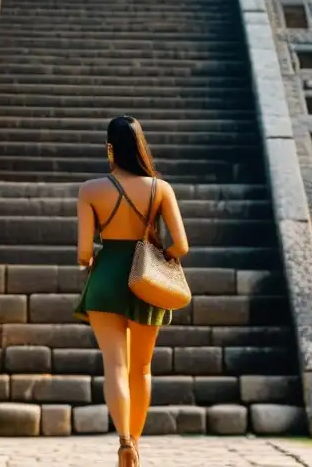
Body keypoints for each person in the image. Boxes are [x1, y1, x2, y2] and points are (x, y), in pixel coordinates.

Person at [74, 115, 190, 467]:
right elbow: (181, 245)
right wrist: (157, 257)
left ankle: (122, 439)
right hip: (145, 282)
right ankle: (136, 444)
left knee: (114, 365)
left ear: (110, 148)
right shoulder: (161, 188)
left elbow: (82, 253)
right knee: (141, 368)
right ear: (140, 146)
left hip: (106, 277)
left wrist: (96, 260)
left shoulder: (90, 190)